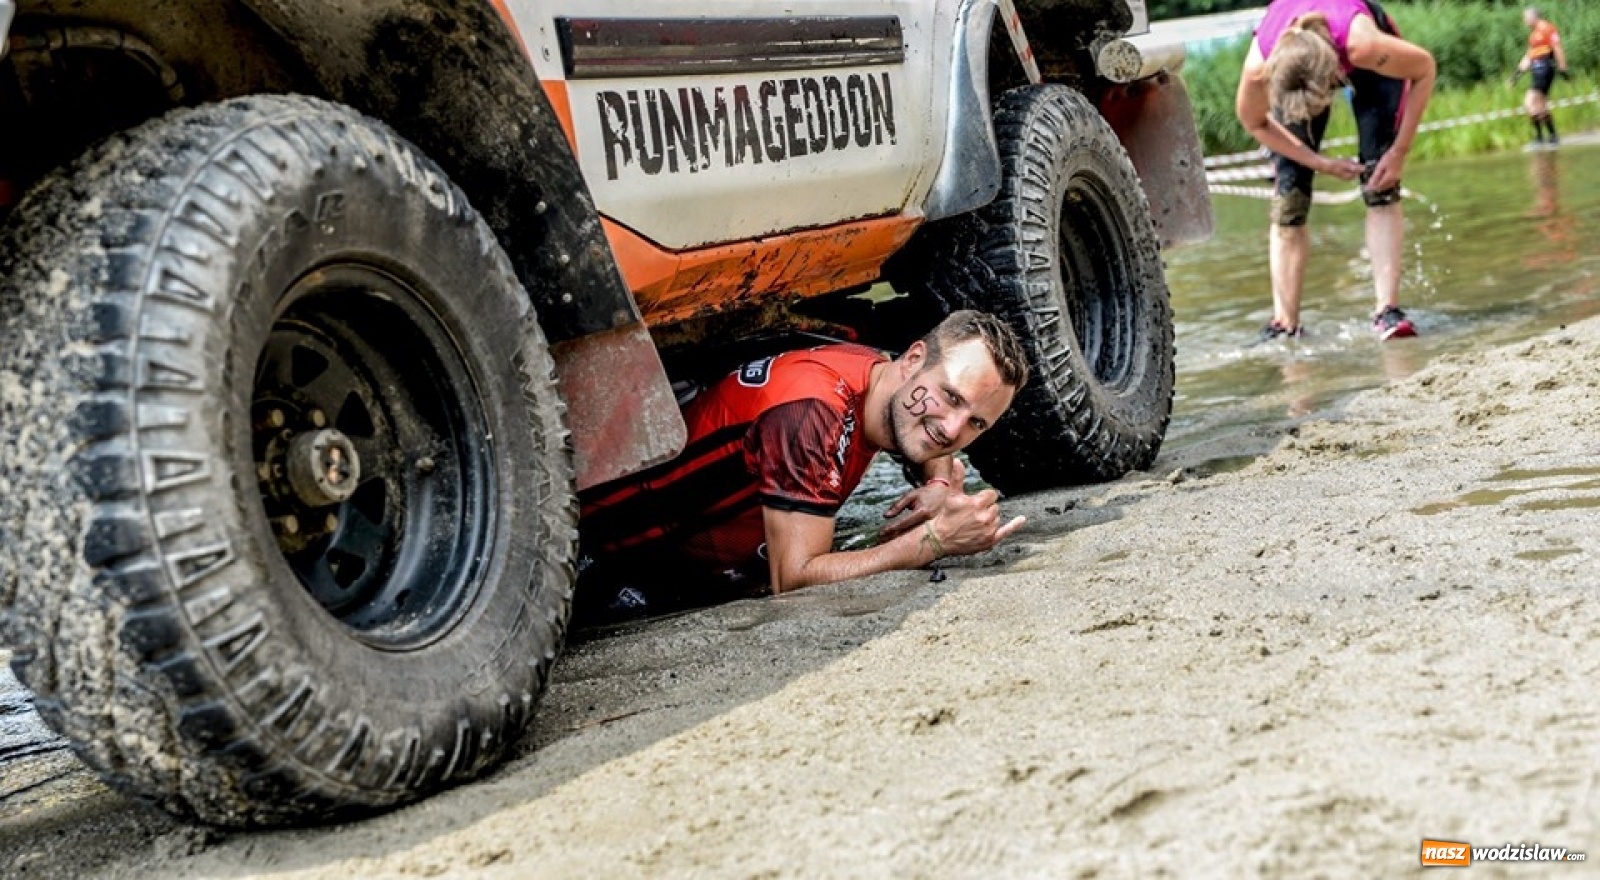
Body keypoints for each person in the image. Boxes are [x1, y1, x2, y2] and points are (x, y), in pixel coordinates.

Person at [575, 310, 1030, 619]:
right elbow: (794, 580)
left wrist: (937, 482)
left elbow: (933, 431)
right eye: (949, 396)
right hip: (605, 550)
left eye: (976, 422)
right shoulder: (811, 413)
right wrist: (933, 541)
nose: (952, 430)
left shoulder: (877, 377)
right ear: (912, 359)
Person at [1235, 0, 1436, 342]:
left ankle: (1387, 310)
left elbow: (1424, 68)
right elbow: (1253, 120)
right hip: (1300, 60)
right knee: (1290, 195)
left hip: (1362, 59)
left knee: (1379, 180)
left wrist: (1399, 152)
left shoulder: (1365, 46)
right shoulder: (1261, 64)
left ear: (1334, 75)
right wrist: (1317, 162)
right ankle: (1285, 323)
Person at [1516, 7, 1568, 147]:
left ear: (1533, 17)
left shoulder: (1547, 28)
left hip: (1545, 70)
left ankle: (1543, 138)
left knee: (1531, 102)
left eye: (1525, 18)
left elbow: (1557, 47)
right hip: (1536, 71)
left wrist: (1562, 68)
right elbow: (1529, 56)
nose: (1524, 21)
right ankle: (1549, 137)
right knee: (1537, 105)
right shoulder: (1533, 35)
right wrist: (1517, 74)